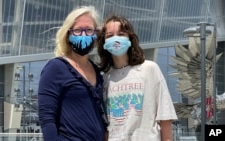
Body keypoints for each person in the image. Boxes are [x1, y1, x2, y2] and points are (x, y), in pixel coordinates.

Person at [97, 15, 178, 141]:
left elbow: (165, 117)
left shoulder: (150, 69)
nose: (116, 39)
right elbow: (105, 126)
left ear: (130, 38)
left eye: (121, 34)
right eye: (109, 36)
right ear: (104, 43)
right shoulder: (104, 80)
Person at [38, 6, 107, 141]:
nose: (83, 35)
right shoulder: (55, 68)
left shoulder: (96, 70)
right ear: (68, 35)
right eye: (77, 30)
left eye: (88, 30)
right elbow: (47, 118)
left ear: (96, 34)